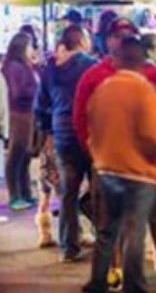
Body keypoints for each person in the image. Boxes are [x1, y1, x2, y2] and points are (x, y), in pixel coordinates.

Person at [74, 17, 156, 292]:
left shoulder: (105, 85)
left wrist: (97, 154)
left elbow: (88, 121)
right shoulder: (143, 86)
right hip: (139, 172)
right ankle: (131, 283)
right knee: (135, 231)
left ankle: (100, 281)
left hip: (108, 168)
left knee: (108, 229)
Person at [35, 24, 97, 260]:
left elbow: (40, 106)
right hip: (91, 137)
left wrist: (48, 132)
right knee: (97, 191)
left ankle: (68, 248)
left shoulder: (50, 70)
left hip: (63, 137)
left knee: (68, 194)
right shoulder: (93, 66)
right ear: (81, 41)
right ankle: (105, 242)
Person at [2, 30, 40, 210]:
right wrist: (35, 91)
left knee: (25, 156)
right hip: (19, 114)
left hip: (27, 113)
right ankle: (15, 195)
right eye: (30, 46)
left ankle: (25, 194)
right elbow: (18, 92)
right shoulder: (14, 67)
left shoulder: (24, 65)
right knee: (16, 155)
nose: (32, 49)